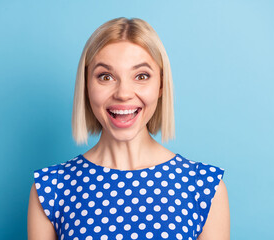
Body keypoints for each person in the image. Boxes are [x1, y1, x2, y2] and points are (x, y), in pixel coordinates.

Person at [27, 17, 230, 240]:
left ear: (161, 85)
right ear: (86, 86)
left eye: (141, 76)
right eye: (106, 76)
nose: (123, 93)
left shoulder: (205, 188)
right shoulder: (51, 188)